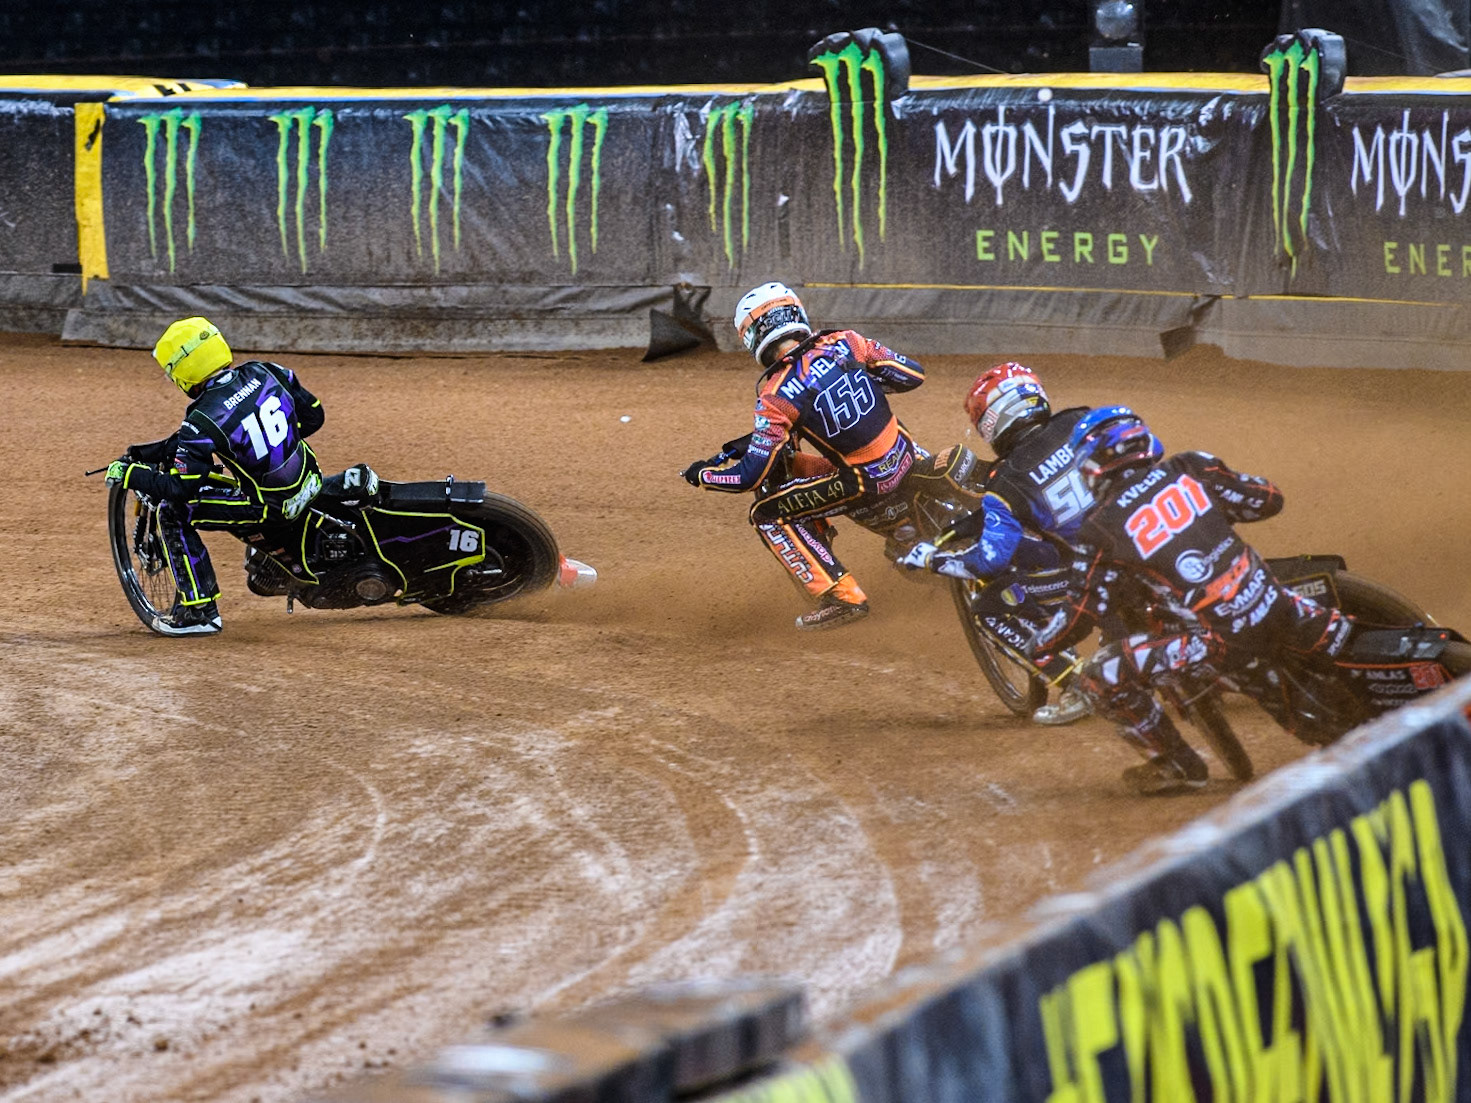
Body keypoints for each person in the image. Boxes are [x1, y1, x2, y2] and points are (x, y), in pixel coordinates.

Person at [1025, 406, 1354, 794]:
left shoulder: (1100, 530)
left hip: (1222, 642)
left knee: (1102, 674)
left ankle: (1179, 768)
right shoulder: (1191, 467)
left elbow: (1082, 613)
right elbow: (1268, 500)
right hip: (1278, 603)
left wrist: (1040, 644)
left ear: (1095, 465)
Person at [681, 282, 972, 630]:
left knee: (767, 513)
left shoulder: (775, 397)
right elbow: (911, 375)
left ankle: (841, 596)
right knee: (808, 465)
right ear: (795, 313)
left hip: (867, 481)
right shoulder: (846, 342)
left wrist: (703, 475)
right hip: (906, 454)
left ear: (753, 336)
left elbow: (749, 476)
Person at [105, 317, 379, 636]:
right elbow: (313, 417)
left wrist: (131, 475)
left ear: (182, 371)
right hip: (311, 478)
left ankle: (199, 612)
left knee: (171, 512)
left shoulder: (202, 418)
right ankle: (336, 492)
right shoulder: (265, 370)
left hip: (272, 508)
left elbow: (180, 487)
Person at [899, 363, 1098, 725]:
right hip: (1145, 543)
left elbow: (989, 561)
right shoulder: (1079, 421)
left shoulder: (1004, 483)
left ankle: (1077, 682)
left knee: (990, 605)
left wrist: (932, 560)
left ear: (993, 420)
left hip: (1083, 577)